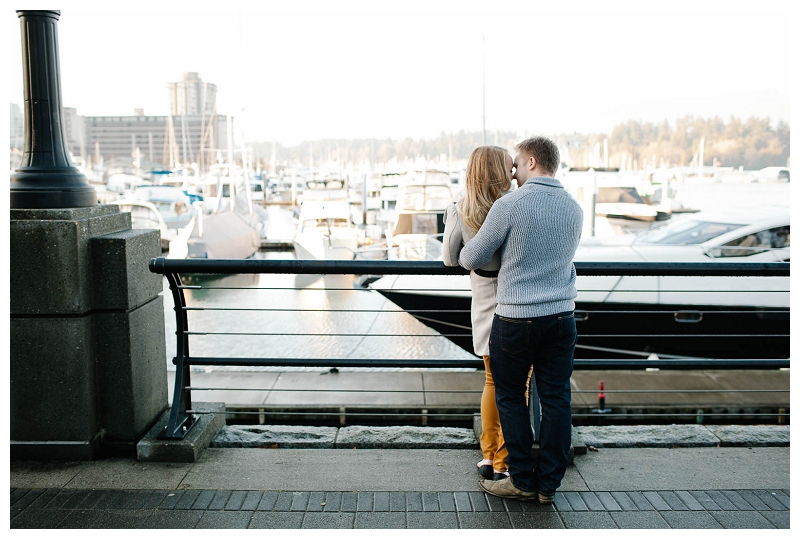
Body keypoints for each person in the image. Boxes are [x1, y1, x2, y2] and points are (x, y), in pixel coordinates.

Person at [458, 136, 583, 504]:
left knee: (510, 396)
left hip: (515, 319)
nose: (511, 174)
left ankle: (523, 481)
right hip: (562, 317)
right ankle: (549, 485)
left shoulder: (510, 205)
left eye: (514, 165)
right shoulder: (574, 208)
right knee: (557, 399)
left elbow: (470, 258)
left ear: (531, 161)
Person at [442, 145, 514, 482]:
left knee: (491, 380)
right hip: (519, 302)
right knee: (518, 386)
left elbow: (448, 258)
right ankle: (504, 459)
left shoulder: (461, 209)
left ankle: (489, 456)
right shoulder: (516, 206)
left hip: (485, 305)